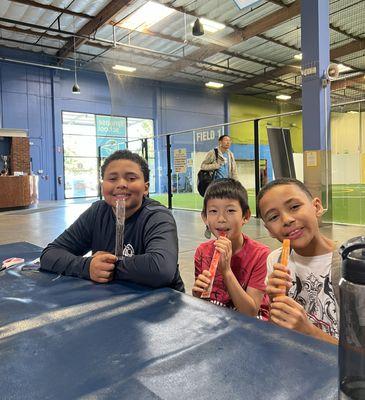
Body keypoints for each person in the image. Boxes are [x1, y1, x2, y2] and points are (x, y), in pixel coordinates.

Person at [40, 150, 184, 292]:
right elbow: (50, 254)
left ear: (145, 188)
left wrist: (108, 266)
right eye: (112, 179)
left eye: (131, 178)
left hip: (161, 304)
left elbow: (162, 269)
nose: (121, 184)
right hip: (111, 299)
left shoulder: (157, 216)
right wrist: (87, 266)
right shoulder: (97, 212)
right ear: (102, 186)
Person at [257, 178, 340, 345]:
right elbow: (277, 332)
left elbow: (358, 356)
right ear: (269, 230)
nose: (287, 219)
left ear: (316, 207)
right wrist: (275, 301)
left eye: (294, 207)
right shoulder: (276, 260)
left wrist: (308, 331)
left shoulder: (351, 267)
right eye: (273, 217)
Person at [192, 178, 270, 317]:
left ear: (245, 216)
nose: (221, 218)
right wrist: (197, 294)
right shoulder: (202, 252)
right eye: (213, 211)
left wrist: (226, 271)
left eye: (230, 210)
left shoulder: (260, 255)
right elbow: (203, 303)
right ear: (205, 217)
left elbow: (250, 312)